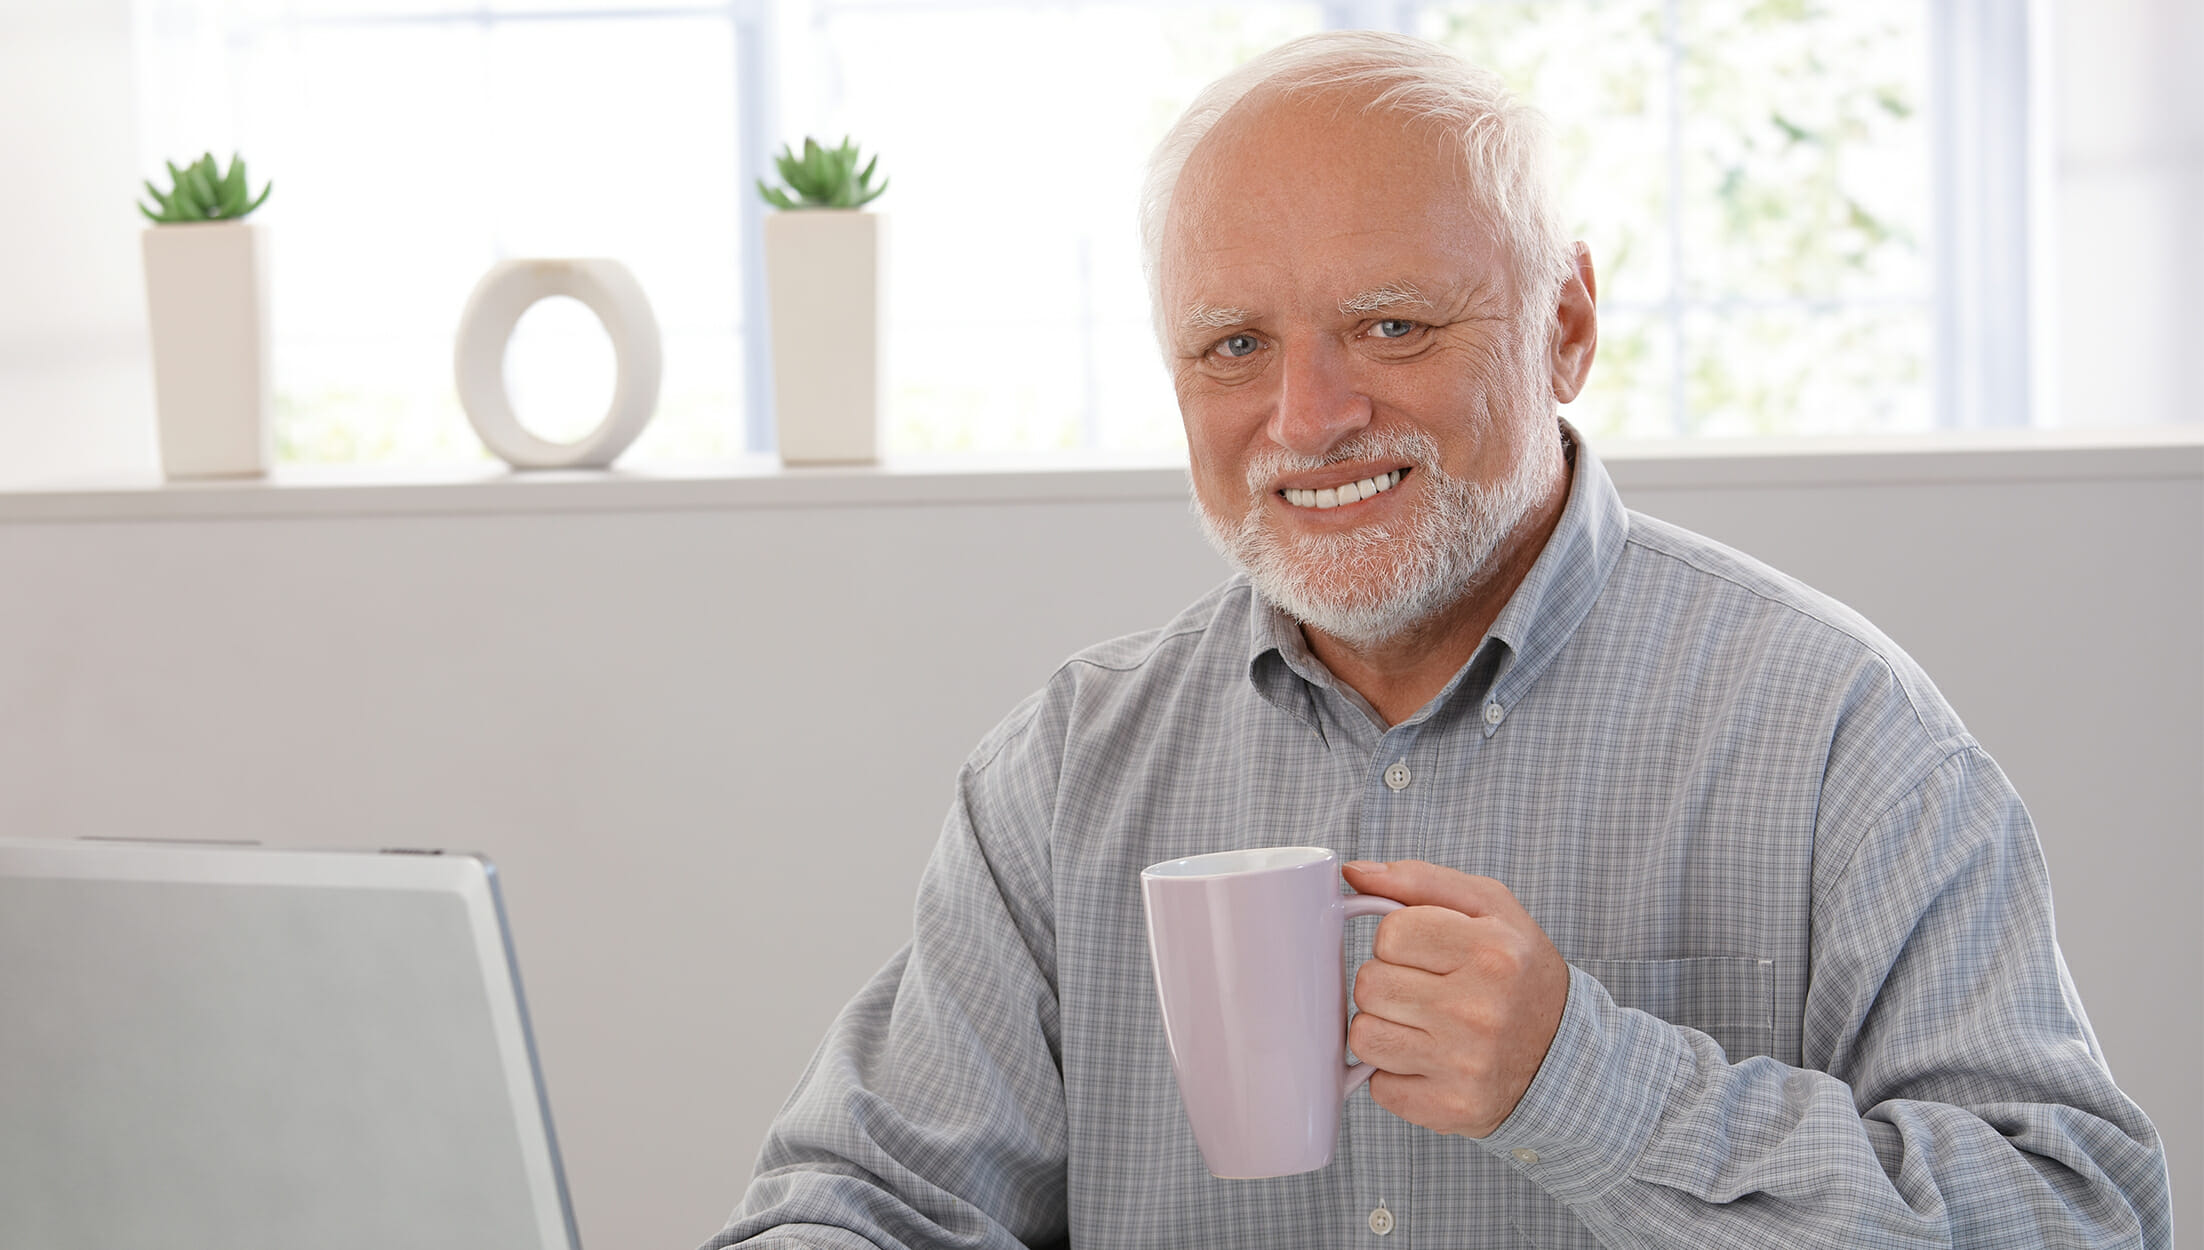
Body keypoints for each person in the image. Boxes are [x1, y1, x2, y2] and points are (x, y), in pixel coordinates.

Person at [704, 30, 2172, 1249]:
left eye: (1392, 326)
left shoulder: (1835, 728)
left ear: (1568, 325)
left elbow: (2082, 1211)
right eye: (1235, 347)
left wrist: (1582, 1083)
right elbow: (870, 1198)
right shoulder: (1066, 773)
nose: (1309, 418)